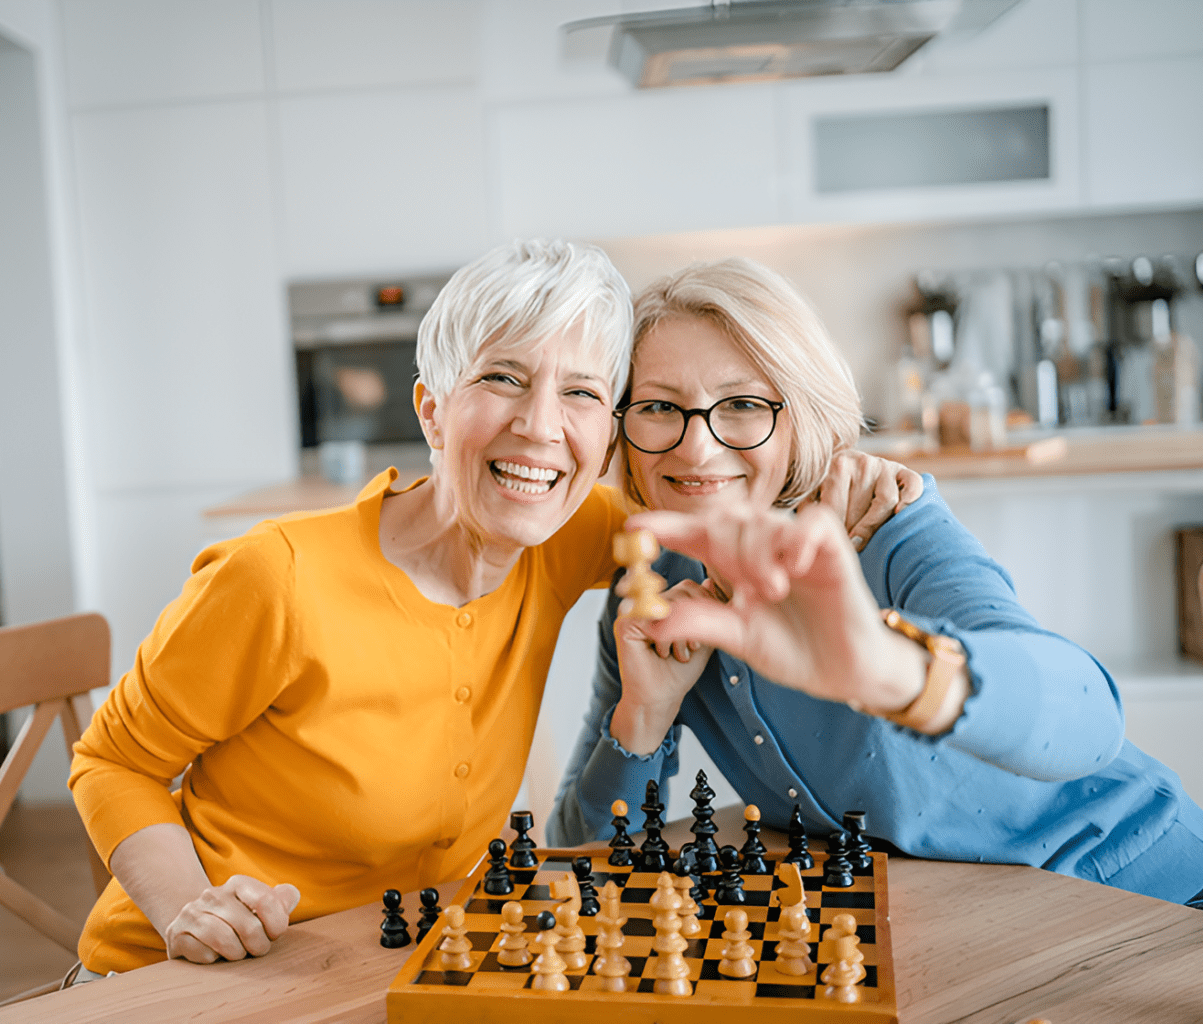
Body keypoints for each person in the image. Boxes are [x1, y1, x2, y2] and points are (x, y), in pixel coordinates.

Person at [68, 240, 918, 978]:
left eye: (583, 393)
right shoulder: (277, 579)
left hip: (401, 966)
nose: (541, 428)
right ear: (432, 410)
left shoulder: (571, 531)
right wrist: (190, 910)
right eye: (502, 379)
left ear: (608, 433)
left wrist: (851, 478)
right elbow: (113, 763)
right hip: (189, 978)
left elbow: (723, 497)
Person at [548, 257, 1203, 917]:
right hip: (967, 936)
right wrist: (643, 713)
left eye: (743, 405)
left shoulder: (877, 523)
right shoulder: (649, 591)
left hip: (1160, 897)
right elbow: (578, 852)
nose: (696, 448)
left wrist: (888, 668)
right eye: (660, 408)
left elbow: (1089, 719)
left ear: (801, 418)